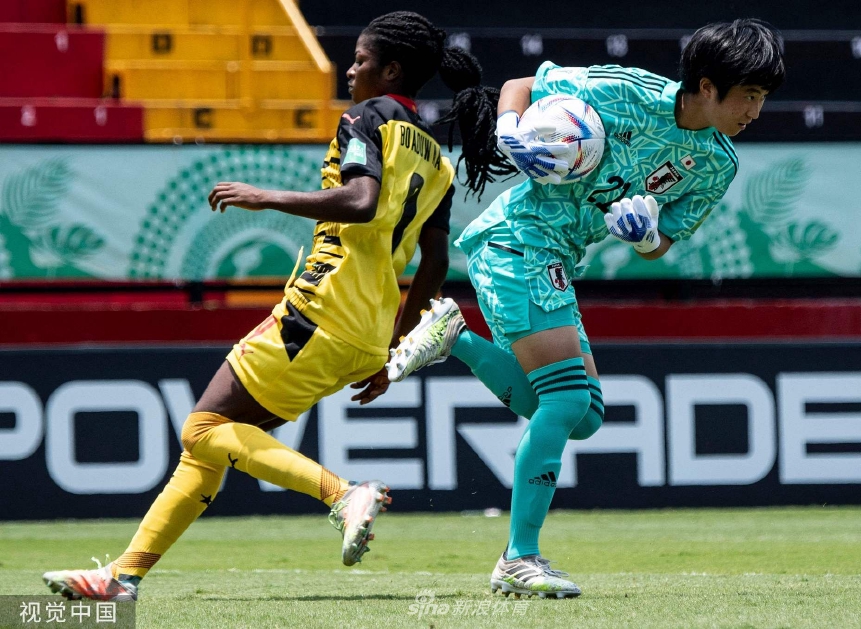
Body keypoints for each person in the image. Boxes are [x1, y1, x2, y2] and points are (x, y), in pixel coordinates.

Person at [41, 11, 513, 602]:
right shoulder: (436, 159)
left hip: (320, 310)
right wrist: (392, 350)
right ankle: (121, 579)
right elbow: (435, 264)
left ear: (391, 70)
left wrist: (265, 196)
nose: (350, 70)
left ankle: (343, 495)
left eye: (361, 60)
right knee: (213, 443)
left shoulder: (367, 118)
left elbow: (361, 201)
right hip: (366, 332)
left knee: (203, 428)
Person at [387, 19, 786, 599]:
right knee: (567, 401)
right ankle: (519, 557)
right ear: (706, 86)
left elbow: (664, 243)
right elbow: (522, 86)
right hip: (517, 240)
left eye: (763, 97)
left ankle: (456, 337)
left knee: (586, 416)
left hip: (558, 260)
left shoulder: (718, 164)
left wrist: (645, 238)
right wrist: (510, 130)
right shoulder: (625, 91)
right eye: (749, 94)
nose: (756, 110)